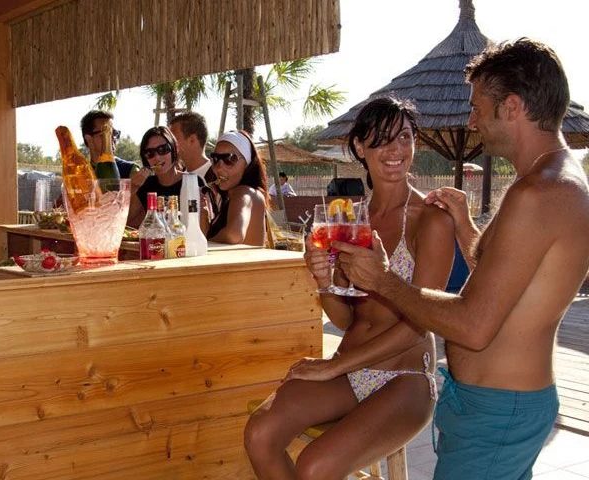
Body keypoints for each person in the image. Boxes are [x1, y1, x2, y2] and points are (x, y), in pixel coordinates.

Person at [335, 38, 589, 480]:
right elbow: (507, 278)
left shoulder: (539, 193)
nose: (472, 120)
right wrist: (469, 227)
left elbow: (474, 326)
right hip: (496, 403)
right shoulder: (556, 180)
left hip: (498, 409)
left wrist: (385, 280)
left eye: (478, 107)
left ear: (511, 107)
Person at [244, 97, 455, 480]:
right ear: (359, 147)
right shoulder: (352, 220)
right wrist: (325, 282)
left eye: (404, 138)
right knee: (260, 433)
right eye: (381, 140)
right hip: (351, 368)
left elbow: (421, 324)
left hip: (404, 377)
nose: (395, 151)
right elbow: (348, 317)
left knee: (315, 466)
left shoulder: (431, 221)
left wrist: (334, 365)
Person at [127, 126, 203, 226]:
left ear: (174, 149)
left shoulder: (193, 182)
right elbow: (124, 220)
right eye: (150, 153)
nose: (157, 157)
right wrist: (132, 188)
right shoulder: (146, 185)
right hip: (156, 241)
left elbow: (202, 225)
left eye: (163, 149)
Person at [204, 130, 268, 246]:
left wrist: (206, 239)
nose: (219, 168)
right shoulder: (241, 194)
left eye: (229, 159)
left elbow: (234, 235)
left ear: (247, 163)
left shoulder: (243, 192)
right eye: (215, 159)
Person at [79, 110, 138, 178]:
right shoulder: (79, 175)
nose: (113, 138)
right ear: (89, 139)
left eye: (115, 133)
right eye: (105, 132)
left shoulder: (131, 170)